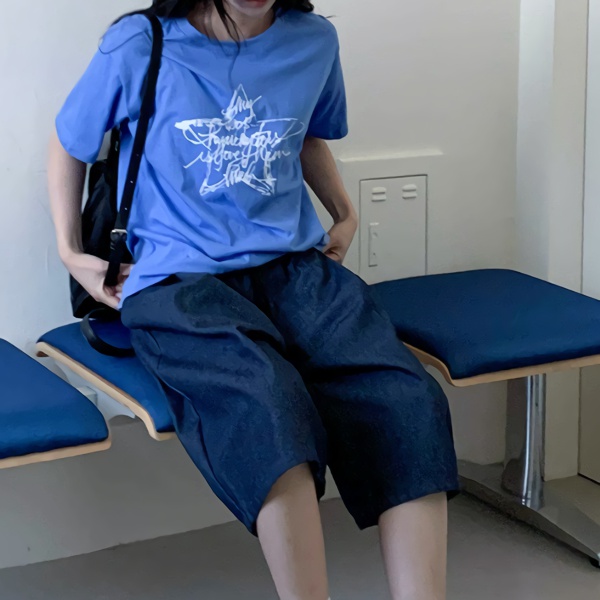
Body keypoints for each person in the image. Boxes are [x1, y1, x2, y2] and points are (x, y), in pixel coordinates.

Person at [47, 1, 459, 598]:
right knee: (268, 401)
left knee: (407, 397)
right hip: (176, 280)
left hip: (295, 269)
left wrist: (344, 211)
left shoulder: (313, 41)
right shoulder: (141, 43)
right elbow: (69, 143)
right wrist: (69, 252)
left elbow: (303, 134)